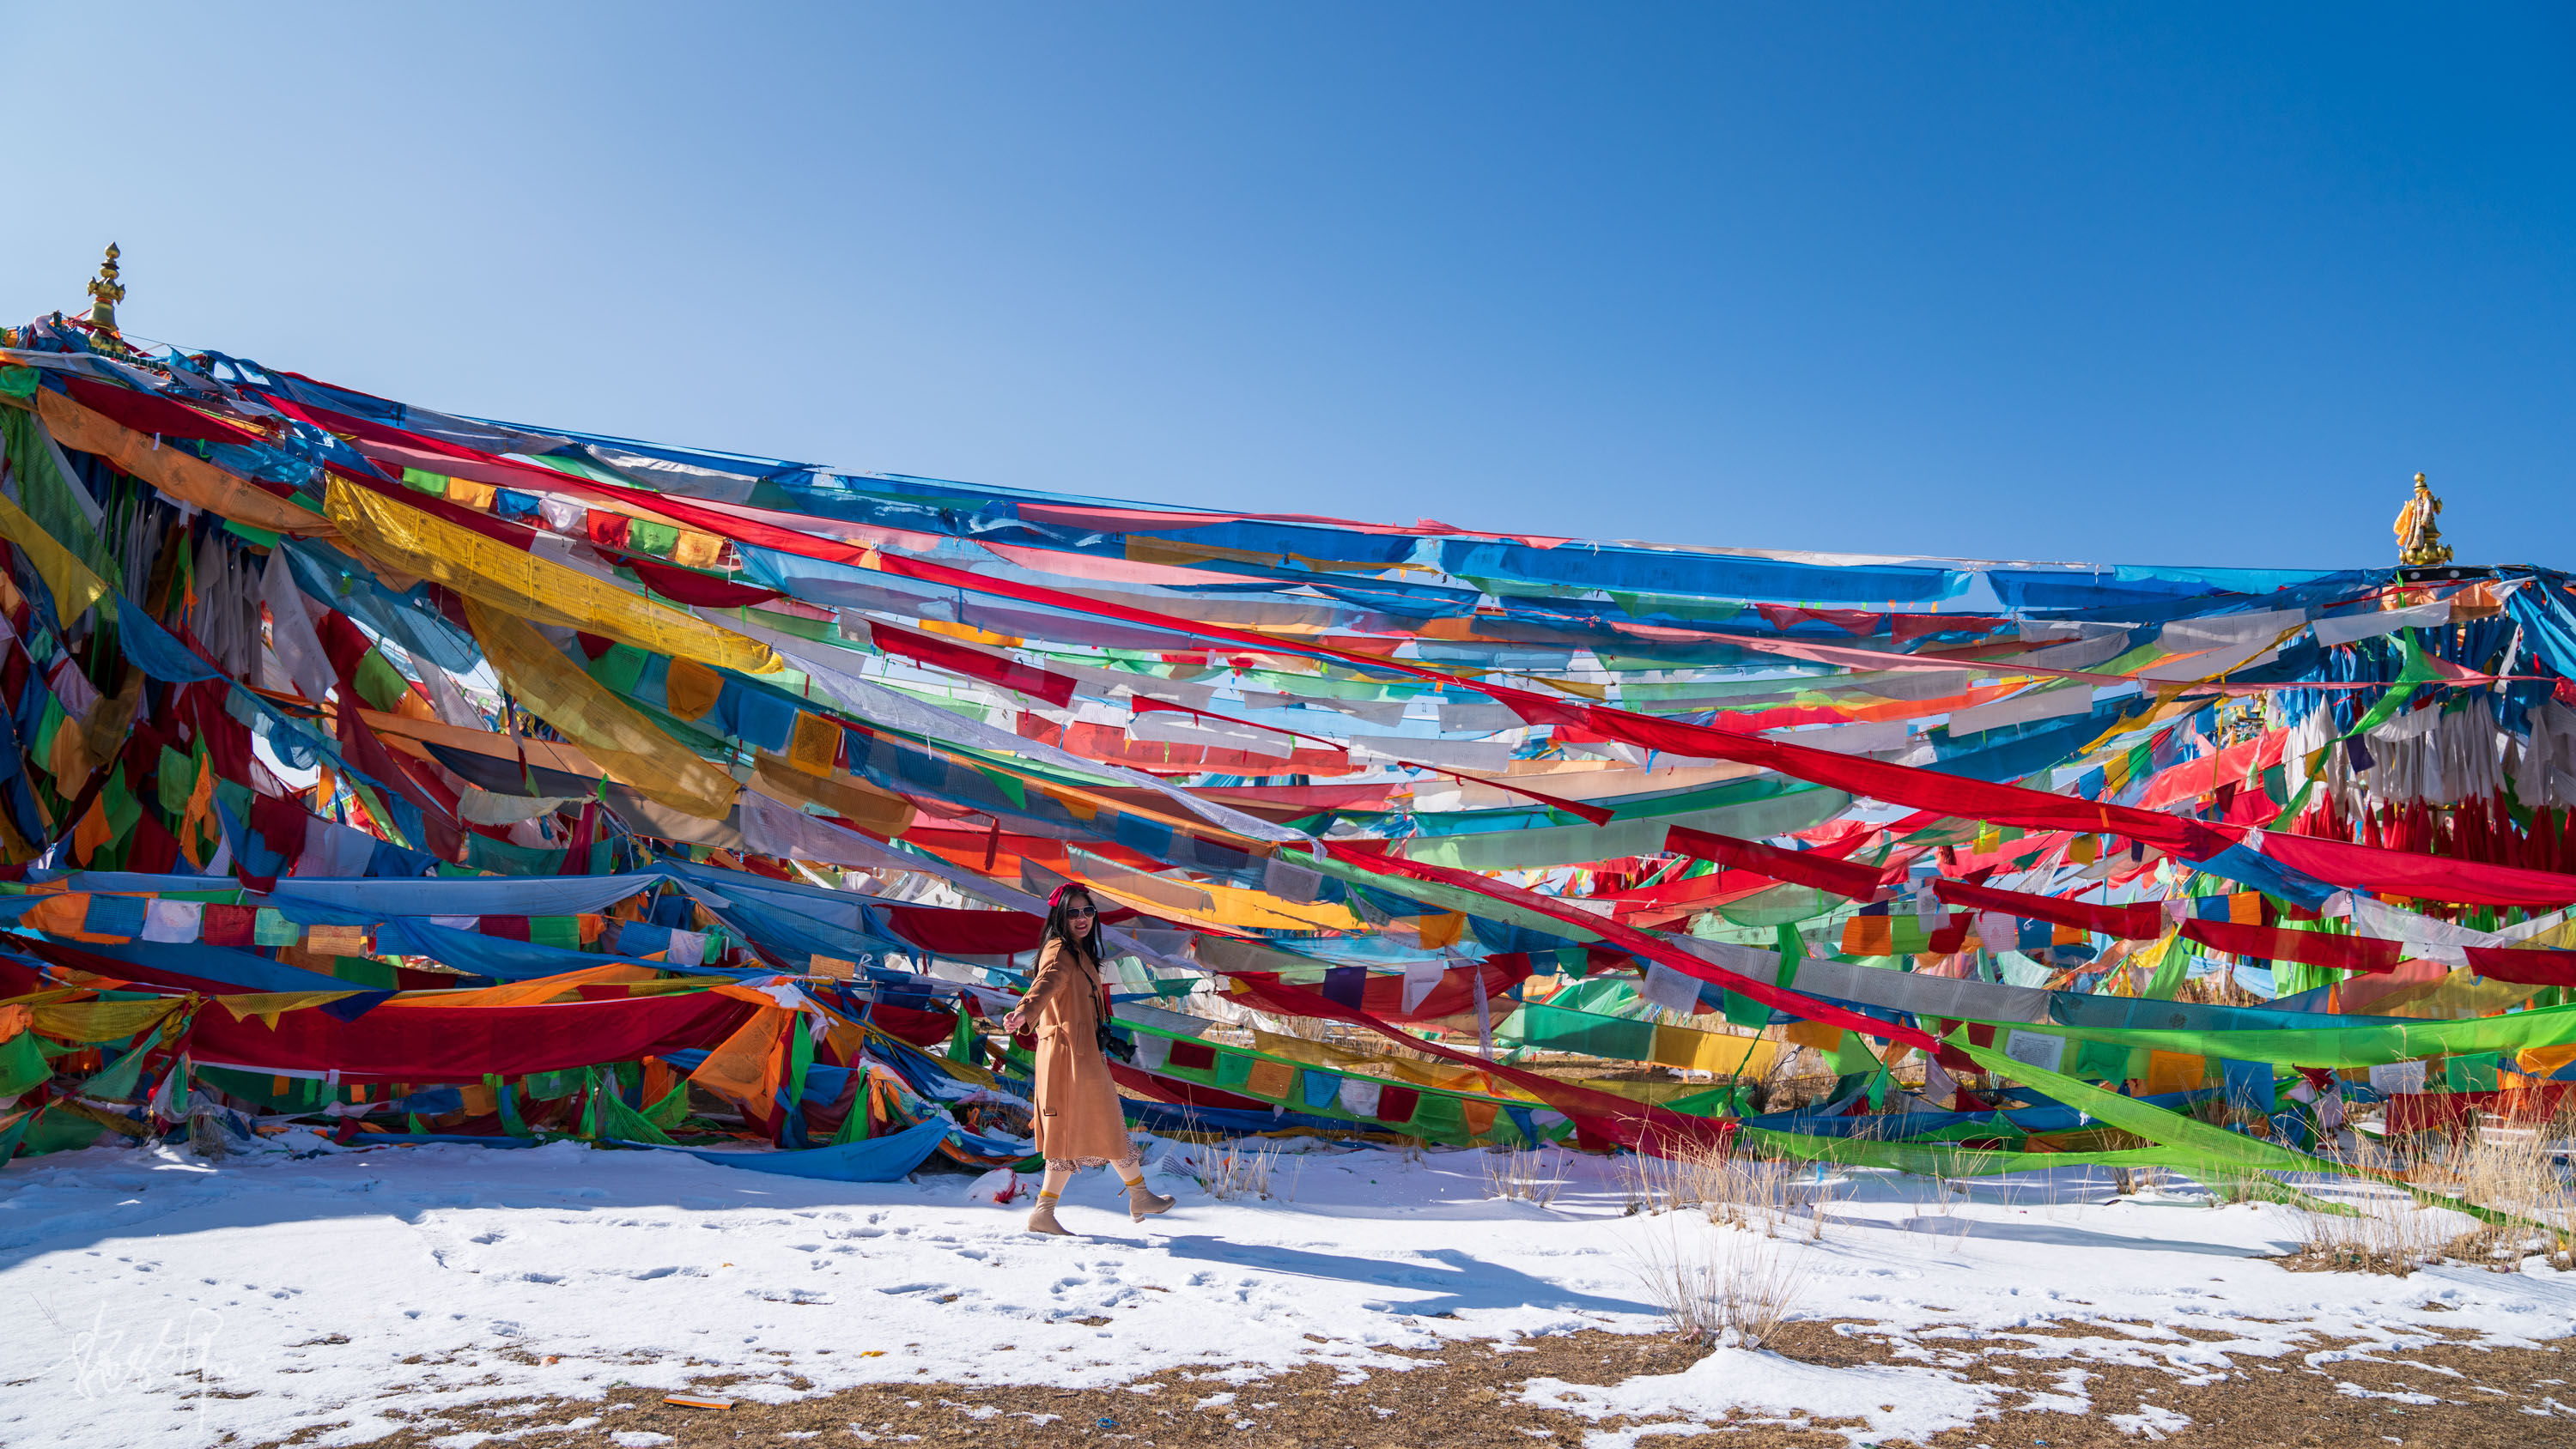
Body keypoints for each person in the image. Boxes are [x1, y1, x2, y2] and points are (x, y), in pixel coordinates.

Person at [1000, 887, 1174, 1234]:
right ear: (1059, 917)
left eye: (1088, 911)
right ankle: (1133, 1195)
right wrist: (1023, 1012)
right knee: (1096, 1126)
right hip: (1069, 1058)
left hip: (1081, 1054)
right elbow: (1044, 983)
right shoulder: (1060, 951)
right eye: (1073, 913)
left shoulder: (1078, 951)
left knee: (1091, 1129)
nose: (1081, 919)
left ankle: (1049, 1212)